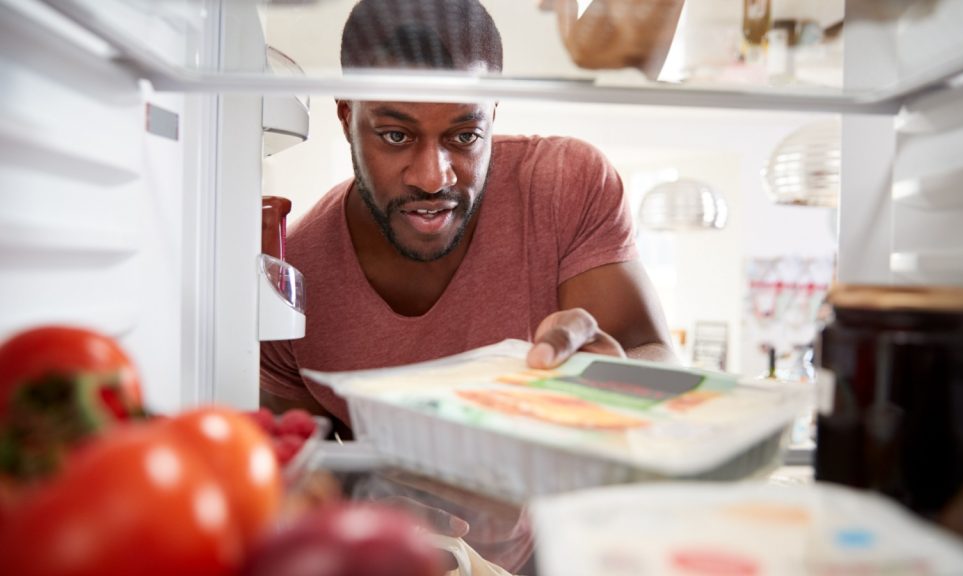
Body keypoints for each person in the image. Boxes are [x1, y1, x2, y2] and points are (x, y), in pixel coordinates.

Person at [260, 0, 675, 432]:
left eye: (464, 136)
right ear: (347, 116)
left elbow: (655, 355)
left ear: (493, 113)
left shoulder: (564, 186)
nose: (432, 178)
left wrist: (617, 375)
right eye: (396, 135)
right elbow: (304, 472)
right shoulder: (294, 281)